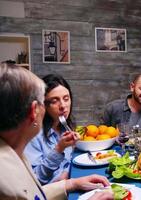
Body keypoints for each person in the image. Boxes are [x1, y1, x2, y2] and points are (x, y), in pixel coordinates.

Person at [0, 63, 113, 199]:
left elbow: (34, 194)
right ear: (34, 109)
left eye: (66, 98)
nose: (63, 106)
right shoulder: (6, 181)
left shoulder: (13, 151)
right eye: (50, 101)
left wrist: (72, 183)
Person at [24, 74, 77, 184]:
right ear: (43, 105)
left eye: (66, 99)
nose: (63, 105)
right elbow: (36, 180)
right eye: (54, 101)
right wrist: (59, 149)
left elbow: (68, 161)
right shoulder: (33, 133)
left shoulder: (64, 127)